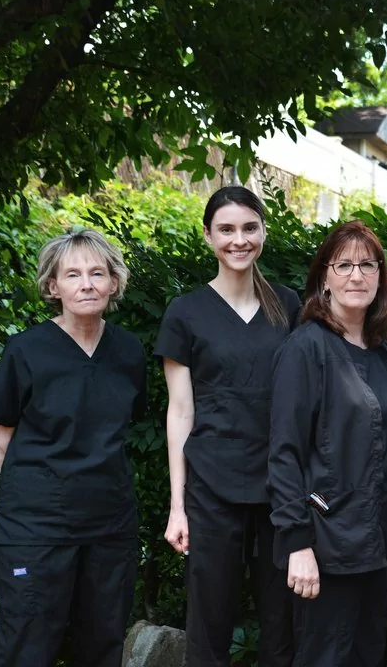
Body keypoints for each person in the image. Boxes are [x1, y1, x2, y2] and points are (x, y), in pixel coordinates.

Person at [0, 228, 145, 667]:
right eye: (72, 274)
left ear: (114, 282)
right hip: (36, 530)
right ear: (54, 286)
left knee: (102, 646)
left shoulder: (128, 351)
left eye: (97, 273)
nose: (86, 284)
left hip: (109, 527)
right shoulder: (27, 350)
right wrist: (38, 492)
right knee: (27, 648)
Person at [268, 220, 387, 667]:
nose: (356, 275)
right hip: (325, 544)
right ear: (324, 278)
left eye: (367, 265)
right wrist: (298, 544)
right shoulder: (306, 348)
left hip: (377, 543)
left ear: (380, 276)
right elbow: (284, 453)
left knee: (367, 655)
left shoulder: (380, 350)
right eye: (344, 265)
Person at [154, 186, 299, 667]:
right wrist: (178, 505)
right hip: (212, 488)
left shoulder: (289, 305)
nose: (239, 240)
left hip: (280, 486)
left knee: (282, 623)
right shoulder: (186, 312)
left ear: (263, 231)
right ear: (208, 237)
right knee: (210, 624)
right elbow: (180, 412)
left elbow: (304, 401)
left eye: (249, 228)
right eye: (227, 230)